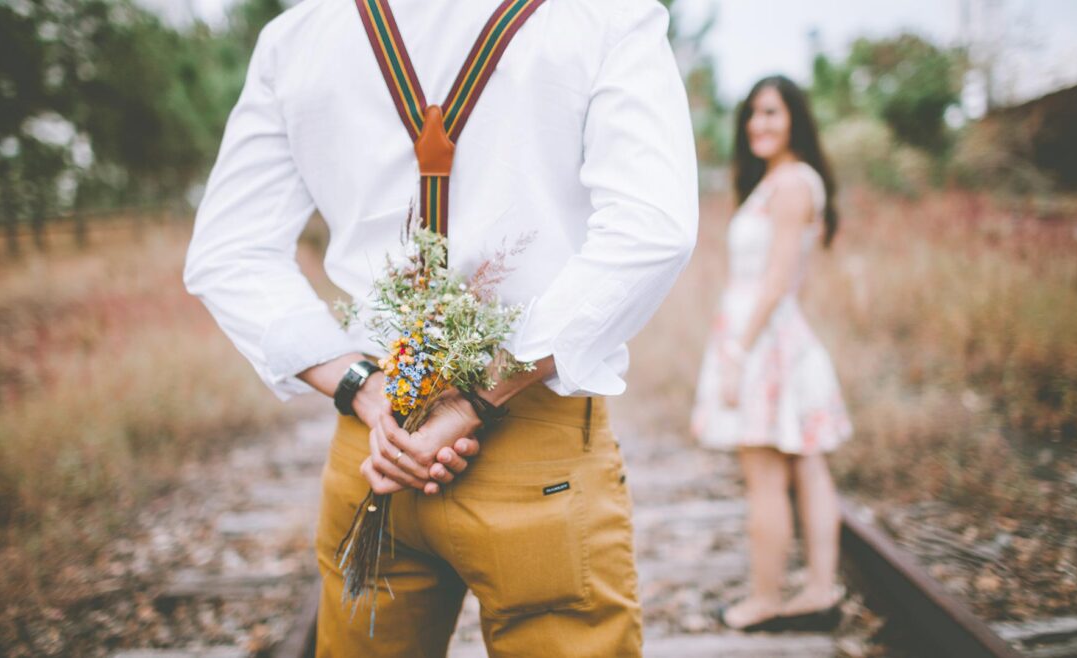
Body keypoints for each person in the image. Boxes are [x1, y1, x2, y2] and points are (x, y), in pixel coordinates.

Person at [183, 0, 698, 655]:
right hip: (535, 443)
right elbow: (653, 229)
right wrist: (478, 395)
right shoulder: (601, 15)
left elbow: (228, 252)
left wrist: (367, 392)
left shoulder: (299, 37)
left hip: (377, 449)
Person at [690, 75, 853, 633]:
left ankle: (765, 600)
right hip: (774, 334)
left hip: (761, 341)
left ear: (794, 120)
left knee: (765, 474)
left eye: (771, 113)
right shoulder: (784, 181)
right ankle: (817, 591)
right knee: (806, 464)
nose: (758, 125)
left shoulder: (790, 185)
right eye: (752, 115)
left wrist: (738, 350)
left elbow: (779, 277)